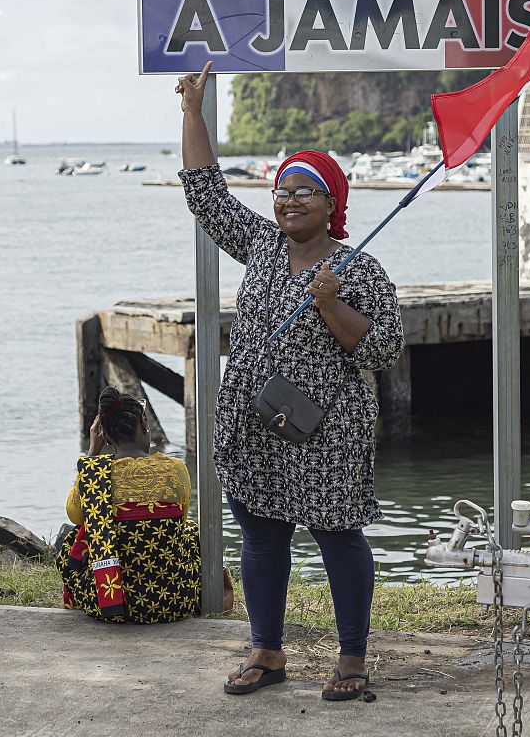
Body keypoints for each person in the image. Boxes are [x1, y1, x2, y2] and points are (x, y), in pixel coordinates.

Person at [176, 72, 402, 702]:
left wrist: (332, 306)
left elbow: (385, 346)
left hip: (327, 427)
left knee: (337, 534)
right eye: (282, 191)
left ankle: (352, 659)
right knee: (261, 534)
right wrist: (193, 112)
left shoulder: (359, 268)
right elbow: (206, 195)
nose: (289, 201)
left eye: (306, 192)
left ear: (333, 204)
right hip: (255, 420)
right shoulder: (262, 248)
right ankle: (266, 652)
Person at [53, 387, 207, 623]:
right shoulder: (175, 470)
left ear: (104, 435)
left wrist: (92, 453)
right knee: (191, 531)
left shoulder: (96, 474)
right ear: (144, 424)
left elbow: (75, 515)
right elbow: (180, 519)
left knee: (71, 537)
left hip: (110, 602)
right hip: (174, 599)